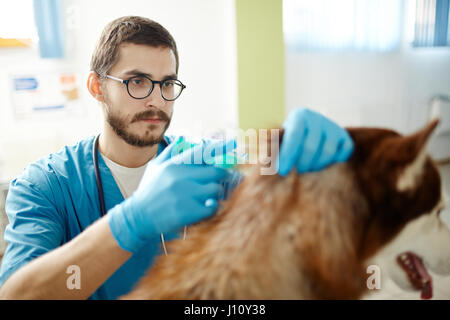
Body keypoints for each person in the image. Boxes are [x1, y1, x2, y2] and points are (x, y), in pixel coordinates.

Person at [0, 16, 353, 299]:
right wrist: (132, 222)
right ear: (97, 87)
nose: (156, 100)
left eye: (167, 84)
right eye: (137, 82)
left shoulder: (206, 171)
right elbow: (16, 295)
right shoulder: (45, 185)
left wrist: (323, 174)